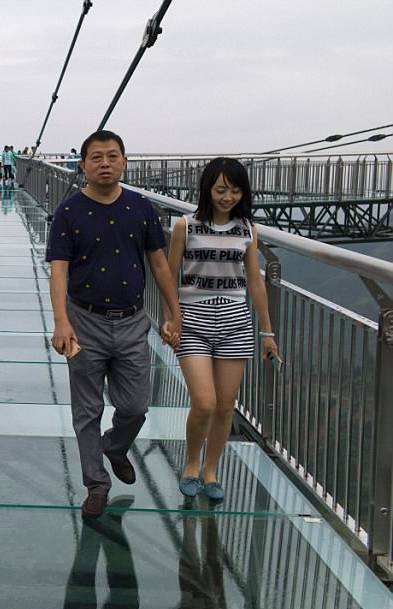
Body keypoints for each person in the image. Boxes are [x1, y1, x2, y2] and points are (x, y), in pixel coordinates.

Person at [46, 130, 182, 519]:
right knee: (86, 410)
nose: (105, 164)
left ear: (124, 162)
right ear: (83, 165)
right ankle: (96, 485)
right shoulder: (68, 213)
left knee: (135, 406)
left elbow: (159, 264)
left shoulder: (140, 208)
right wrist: (61, 322)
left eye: (112, 156)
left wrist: (173, 313)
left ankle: (116, 447)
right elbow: (58, 271)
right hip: (84, 321)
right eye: (96, 157)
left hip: (131, 321)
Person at [167, 157, 279, 501]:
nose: (227, 196)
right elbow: (169, 277)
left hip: (235, 324)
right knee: (204, 402)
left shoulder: (248, 229)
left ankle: (211, 471)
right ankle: (191, 464)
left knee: (225, 406)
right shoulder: (185, 226)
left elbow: (255, 283)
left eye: (234, 190)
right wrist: (171, 319)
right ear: (207, 189)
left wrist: (267, 331)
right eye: (220, 189)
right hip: (194, 322)